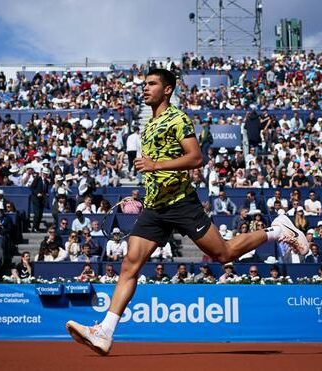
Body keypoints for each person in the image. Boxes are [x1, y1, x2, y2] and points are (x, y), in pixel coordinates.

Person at [66, 69, 308, 355]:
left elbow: (196, 157)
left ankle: (278, 230)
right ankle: (105, 332)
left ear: (167, 90)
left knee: (224, 254)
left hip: (182, 202)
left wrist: (155, 166)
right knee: (130, 264)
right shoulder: (148, 124)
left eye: (152, 84)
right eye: (144, 84)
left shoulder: (177, 118)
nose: (145, 88)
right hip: (155, 207)